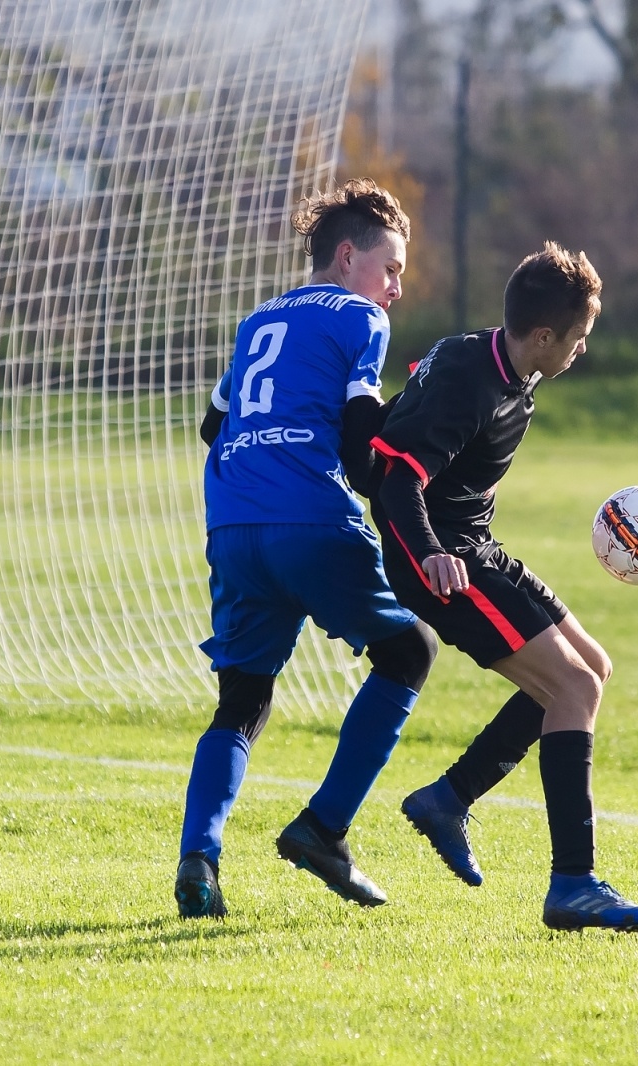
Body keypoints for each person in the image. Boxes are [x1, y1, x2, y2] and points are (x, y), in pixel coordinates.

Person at [371, 242, 638, 931]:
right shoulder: (470, 379)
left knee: (592, 667)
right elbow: (396, 480)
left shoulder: (507, 367)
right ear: (543, 336)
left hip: (475, 547)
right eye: (578, 339)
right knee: (572, 690)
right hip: (439, 559)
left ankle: (450, 797)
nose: (581, 351)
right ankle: (573, 884)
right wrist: (433, 552)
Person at [174, 179, 437, 919]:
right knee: (409, 652)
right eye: (390, 269)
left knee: (243, 700)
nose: (395, 288)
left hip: (232, 524)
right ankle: (323, 829)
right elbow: (358, 436)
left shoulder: (259, 320)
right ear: (348, 256)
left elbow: (210, 424)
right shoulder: (360, 318)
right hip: (309, 519)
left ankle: (201, 856)